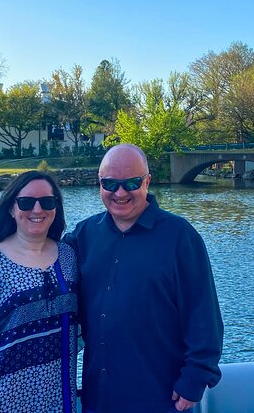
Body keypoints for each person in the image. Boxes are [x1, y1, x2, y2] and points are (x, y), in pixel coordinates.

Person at [65, 143, 224, 413]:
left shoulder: (180, 236)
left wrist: (195, 377)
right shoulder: (83, 236)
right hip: (98, 396)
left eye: (131, 183)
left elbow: (203, 314)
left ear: (147, 181)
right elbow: (40, 263)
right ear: (99, 183)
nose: (120, 192)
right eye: (110, 183)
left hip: (161, 396)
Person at [0, 170, 78, 413]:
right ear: (11, 208)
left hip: (58, 404)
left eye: (47, 202)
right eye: (27, 202)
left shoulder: (69, 257)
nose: (37, 210)